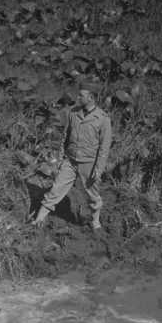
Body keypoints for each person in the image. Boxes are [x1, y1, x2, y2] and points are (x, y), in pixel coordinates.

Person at [31, 81, 112, 229]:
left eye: (81, 95)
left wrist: (98, 169)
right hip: (70, 161)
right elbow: (65, 138)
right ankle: (39, 219)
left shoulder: (103, 119)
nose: (78, 97)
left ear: (91, 98)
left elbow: (104, 149)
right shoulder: (73, 113)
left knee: (93, 196)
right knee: (55, 189)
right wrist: (61, 159)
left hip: (89, 164)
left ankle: (95, 223)